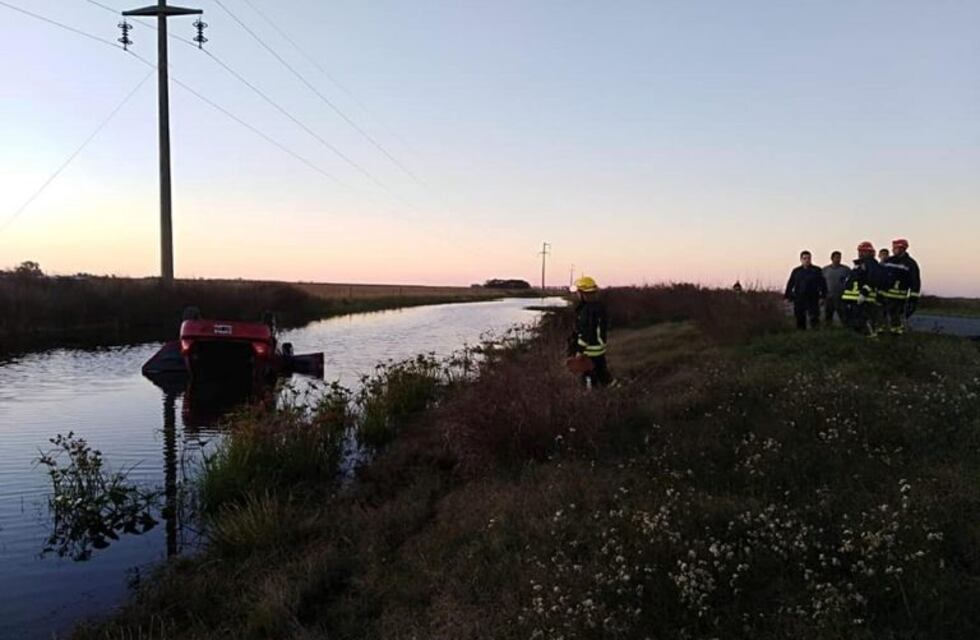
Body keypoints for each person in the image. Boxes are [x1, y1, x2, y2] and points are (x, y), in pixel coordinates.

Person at [568, 276, 613, 387]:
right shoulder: (600, 307)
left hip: (589, 350)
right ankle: (616, 390)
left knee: (588, 376)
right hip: (599, 348)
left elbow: (586, 332)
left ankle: (591, 398)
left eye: (579, 292)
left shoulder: (586, 311)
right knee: (603, 374)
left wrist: (579, 351)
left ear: (583, 293)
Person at [841, 242, 884, 336]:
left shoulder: (871, 263)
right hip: (853, 299)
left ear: (870, 252)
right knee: (855, 322)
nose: (860, 253)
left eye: (863, 251)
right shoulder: (860, 264)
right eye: (859, 251)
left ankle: (870, 340)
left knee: (864, 322)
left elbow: (873, 279)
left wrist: (864, 293)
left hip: (863, 299)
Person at [880, 238, 922, 335]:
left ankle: (896, 337)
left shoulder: (910, 264)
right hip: (884, 296)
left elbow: (915, 282)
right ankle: (881, 337)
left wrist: (913, 298)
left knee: (896, 319)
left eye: (895, 248)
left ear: (902, 249)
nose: (892, 250)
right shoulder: (889, 261)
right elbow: (881, 276)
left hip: (898, 298)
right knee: (880, 318)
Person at [784, 250, 827, 330]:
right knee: (800, 317)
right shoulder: (796, 271)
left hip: (813, 297)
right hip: (799, 297)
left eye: (808, 258)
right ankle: (801, 334)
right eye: (805, 258)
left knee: (814, 317)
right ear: (801, 259)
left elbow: (823, 284)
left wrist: (823, 297)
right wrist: (787, 296)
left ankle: (816, 334)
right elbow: (790, 284)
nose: (807, 260)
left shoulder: (816, 270)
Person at [822, 251, 851, 324]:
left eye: (839, 258)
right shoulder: (825, 270)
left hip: (841, 297)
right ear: (832, 258)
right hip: (829, 297)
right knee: (828, 317)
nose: (838, 259)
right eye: (836, 257)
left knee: (844, 316)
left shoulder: (845, 270)